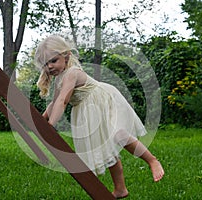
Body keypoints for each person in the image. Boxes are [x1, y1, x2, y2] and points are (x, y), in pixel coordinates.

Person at [35, 35, 164, 199]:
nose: (50, 66)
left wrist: (51, 124)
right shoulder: (59, 78)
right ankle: (120, 189)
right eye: (46, 64)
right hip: (87, 111)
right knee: (107, 146)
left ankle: (152, 160)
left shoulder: (72, 73)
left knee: (119, 135)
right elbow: (54, 103)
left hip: (101, 102)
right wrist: (42, 118)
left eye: (53, 60)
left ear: (66, 56)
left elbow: (63, 100)